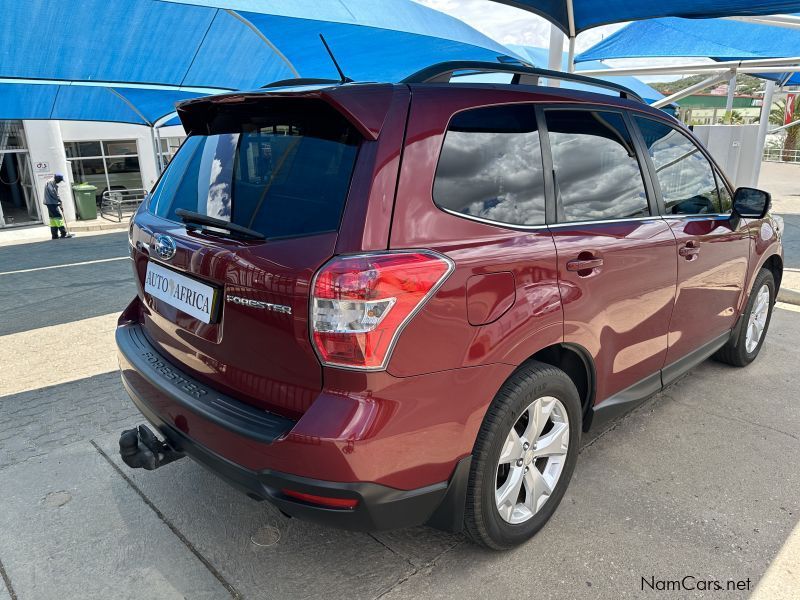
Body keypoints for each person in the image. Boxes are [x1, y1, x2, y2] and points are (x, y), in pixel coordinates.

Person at [43, 174, 73, 239]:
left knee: (53, 219)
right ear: (57, 179)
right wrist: (59, 200)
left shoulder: (51, 182)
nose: (60, 182)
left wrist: (59, 201)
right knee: (58, 217)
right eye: (60, 180)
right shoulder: (50, 182)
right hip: (52, 202)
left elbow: (54, 192)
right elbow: (53, 192)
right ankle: (63, 233)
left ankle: (54, 235)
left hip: (50, 202)